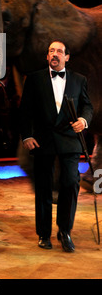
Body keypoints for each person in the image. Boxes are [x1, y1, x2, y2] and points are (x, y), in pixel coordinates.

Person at [19, 41, 93, 252]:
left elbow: (87, 105)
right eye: (51, 51)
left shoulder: (80, 80)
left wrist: (84, 120)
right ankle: (44, 234)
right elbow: (25, 111)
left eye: (59, 51)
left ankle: (65, 231)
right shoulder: (34, 79)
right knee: (43, 187)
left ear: (67, 57)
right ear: (47, 56)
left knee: (70, 183)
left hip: (70, 139)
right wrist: (26, 136)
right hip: (43, 140)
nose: (55, 54)